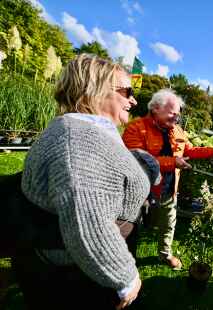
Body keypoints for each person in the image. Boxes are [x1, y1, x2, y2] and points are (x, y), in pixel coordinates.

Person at [12, 54, 157, 310]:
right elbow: (87, 223)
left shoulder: (83, 132)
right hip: (77, 280)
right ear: (96, 90)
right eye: (127, 91)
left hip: (77, 271)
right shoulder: (79, 142)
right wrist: (126, 277)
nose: (134, 100)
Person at [122, 89, 213, 269]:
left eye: (178, 114)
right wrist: (173, 162)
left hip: (168, 190)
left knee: (168, 224)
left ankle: (165, 255)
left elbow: (189, 150)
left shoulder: (177, 130)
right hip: (139, 193)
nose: (176, 118)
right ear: (156, 108)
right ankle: (126, 259)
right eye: (172, 113)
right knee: (132, 226)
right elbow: (138, 159)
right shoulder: (136, 128)